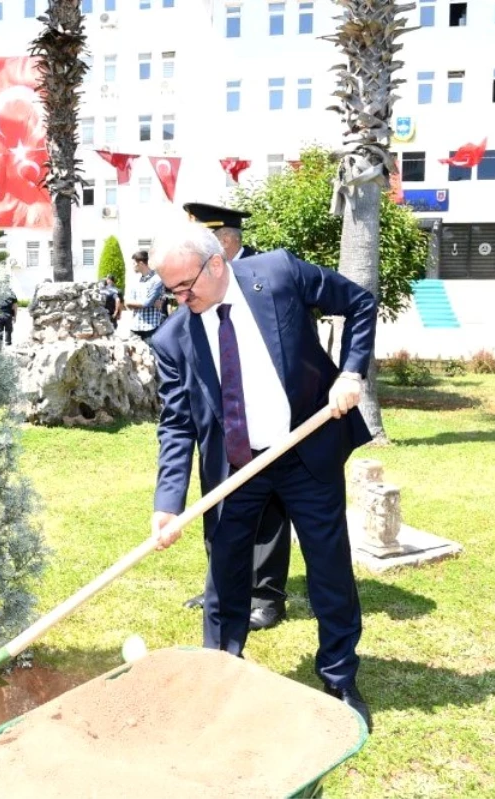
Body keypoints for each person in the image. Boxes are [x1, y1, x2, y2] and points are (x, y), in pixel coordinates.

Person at [147, 219, 376, 731]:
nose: (181, 298)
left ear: (216, 263)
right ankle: (221, 669)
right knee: (224, 571)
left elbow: (360, 303)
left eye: (187, 286)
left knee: (328, 565)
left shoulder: (278, 274)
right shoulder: (172, 339)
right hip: (235, 467)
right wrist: (168, 502)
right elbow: (177, 425)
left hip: (305, 451)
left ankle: (339, 676)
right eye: (171, 290)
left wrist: (351, 372)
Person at [178, 202, 292, 632]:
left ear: (223, 244)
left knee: (267, 510)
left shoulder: (267, 279)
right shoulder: (199, 287)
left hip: (268, 423)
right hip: (221, 424)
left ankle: (266, 596)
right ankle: (223, 589)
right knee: (219, 506)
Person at [125, 250, 165, 342]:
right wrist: (131, 303)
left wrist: (133, 303)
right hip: (135, 327)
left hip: (151, 329)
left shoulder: (157, 279)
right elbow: (128, 303)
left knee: (152, 356)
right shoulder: (136, 280)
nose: (132, 266)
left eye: (134, 263)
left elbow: (147, 303)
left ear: (141, 263)